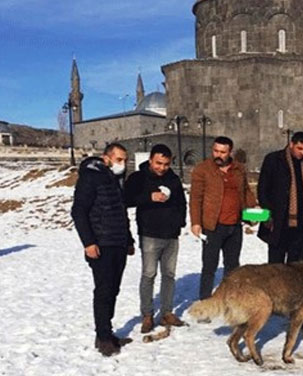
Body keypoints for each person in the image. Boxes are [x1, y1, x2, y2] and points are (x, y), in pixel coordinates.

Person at [71, 142, 135, 356]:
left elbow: (120, 212)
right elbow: (79, 211)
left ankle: (107, 332)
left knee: (113, 289)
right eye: (119, 159)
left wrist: (129, 240)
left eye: (125, 160)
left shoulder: (114, 178)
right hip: (101, 244)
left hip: (117, 242)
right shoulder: (91, 176)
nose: (123, 164)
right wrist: (88, 242)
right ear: (106, 158)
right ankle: (103, 337)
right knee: (104, 290)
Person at [123, 144, 187, 333]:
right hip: (149, 234)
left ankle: (166, 312)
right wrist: (149, 197)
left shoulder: (173, 179)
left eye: (166, 164)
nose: (162, 168)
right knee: (149, 275)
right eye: (159, 163)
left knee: (169, 275)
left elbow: (181, 202)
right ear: (150, 160)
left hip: (171, 235)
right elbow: (126, 199)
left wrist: (180, 223)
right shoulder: (138, 178)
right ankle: (147, 315)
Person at [190, 136, 256, 300]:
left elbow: (246, 192)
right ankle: (205, 302)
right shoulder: (202, 169)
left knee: (233, 266)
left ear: (230, 152)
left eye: (222, 152)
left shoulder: (239, 169)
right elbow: (195, 198)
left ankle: (231, 299)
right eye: (215, 151)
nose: (218, 155)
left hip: (234, 226)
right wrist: (196, 222)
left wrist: (253, 209)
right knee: (209, 266)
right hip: (213, 226)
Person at [257, 132, 303, 263]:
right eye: (299, 148)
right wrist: (267, 213)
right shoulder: (274, 159)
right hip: (279, 221)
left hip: (302, 223)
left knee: (297, 267)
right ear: (291, 144)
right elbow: (263, 189)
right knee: (276, 266)